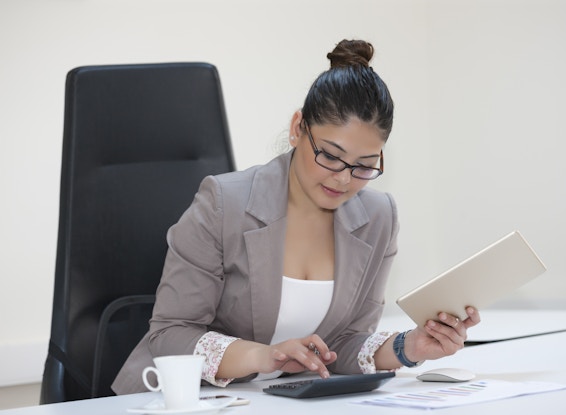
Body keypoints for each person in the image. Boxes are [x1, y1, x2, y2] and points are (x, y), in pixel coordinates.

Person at [112, 39, 481, 394]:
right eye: (331, 156)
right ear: (297, 129)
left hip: (286, 402)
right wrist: (266, 356)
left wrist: (409, 347)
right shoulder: (223, 203)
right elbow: (171, 335)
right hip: (181, 399)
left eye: (365, 166)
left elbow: (345, 345)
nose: (343, 178)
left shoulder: (378, 217)